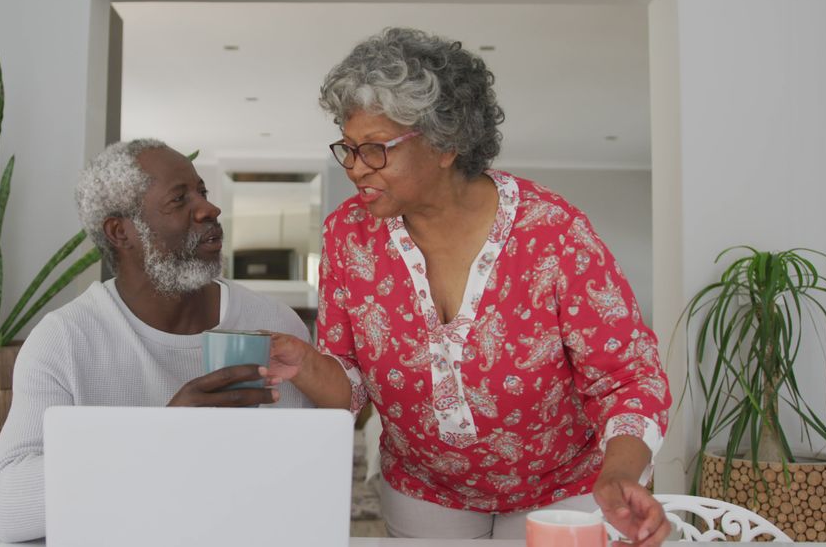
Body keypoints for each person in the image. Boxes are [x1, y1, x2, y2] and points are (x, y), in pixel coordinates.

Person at [268, 28, 673, 545]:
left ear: (446, 143)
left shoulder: (551, 231)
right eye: (346, 148)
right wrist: (305, 364)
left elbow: (628, 378)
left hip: (566, 489)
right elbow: (350, 384)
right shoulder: (349, 235)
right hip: (424, 492)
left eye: (374, 149)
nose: (353, 168)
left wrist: (618, 473)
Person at [0, 139, 313, 542]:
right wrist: (160, 436)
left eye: (202, 192)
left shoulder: (273, 324)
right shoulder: (64, 340)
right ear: (121, 232)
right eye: (179, 199)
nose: (209, 209)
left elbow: (306, 481)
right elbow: (9, 508)